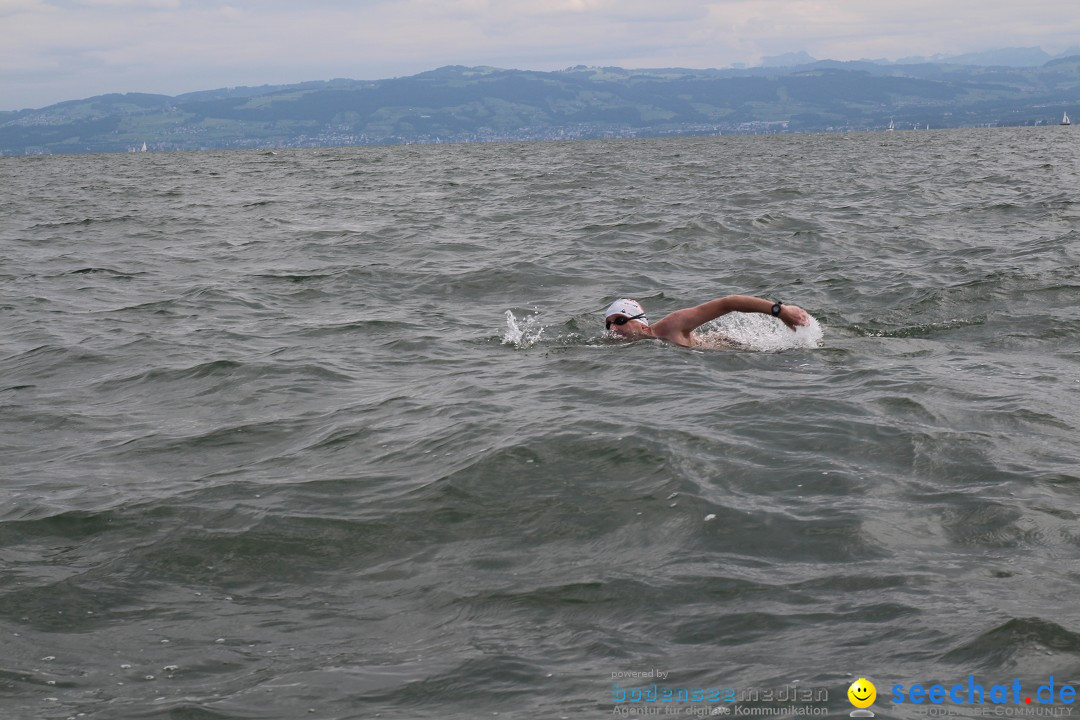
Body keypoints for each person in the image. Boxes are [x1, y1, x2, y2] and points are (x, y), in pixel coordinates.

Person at [604, 296, 810, 348]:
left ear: (641, 323)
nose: (614, 328)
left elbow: (728, 303)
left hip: (731, 349)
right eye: (609, 324)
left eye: (620, 320)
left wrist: (781, 311)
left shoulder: (670, 326)